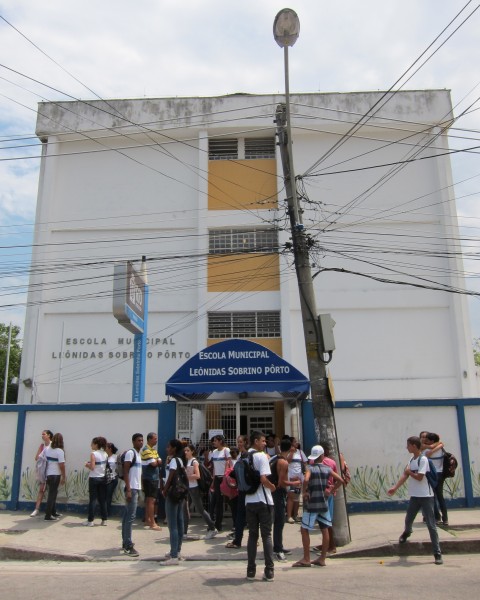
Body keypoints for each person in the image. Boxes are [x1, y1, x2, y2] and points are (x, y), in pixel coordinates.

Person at [387, 435, 443, 565]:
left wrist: (409, 472)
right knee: (408, 519)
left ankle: (437, 553)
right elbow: (405, 475)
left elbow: (419, 477)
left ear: (414, 446)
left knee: (431, 525)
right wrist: (395, 488)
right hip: (415, 496)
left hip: (426, 496)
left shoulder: (423, 459)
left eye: (408, 445)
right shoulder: (412, 459)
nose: (406, 447)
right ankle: (407, 532)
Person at [292, 445, 345, 568]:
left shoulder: (310, 468)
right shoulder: (327, 469)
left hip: (312, 505)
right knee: (324, 529)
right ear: (322, 456)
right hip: (324, 503)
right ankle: (322, 558)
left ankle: (306, 558)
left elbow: (306, 480)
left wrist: (304, 492)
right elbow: (341, 480)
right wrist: (331, 490)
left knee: (305, 530)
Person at [245, 431, 276, 583]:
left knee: (252, 535)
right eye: (263, 441)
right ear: (256, 441)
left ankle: (250, 570)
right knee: (266, 536)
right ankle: (269, 570)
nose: (265, 444)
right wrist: (272, 486)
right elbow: (264, 479)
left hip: (248, 501)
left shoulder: (243, 456)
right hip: (263, 501)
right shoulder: (261, 456)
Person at [271, 437, 301, 561]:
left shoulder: (277, 459)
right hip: (278, 493)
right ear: (290, 448)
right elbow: (281, 482)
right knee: (279, 521)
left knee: (279, 521)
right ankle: (277, 549)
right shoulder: (283, 463)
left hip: (275, 492)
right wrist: (294, 483)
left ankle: (279, 546)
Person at [160, 438, 186, 566]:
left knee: (173, 525)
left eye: (169, 447)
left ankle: (174, 555)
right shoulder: (180, 459)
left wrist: (164, 490)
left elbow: (170, 477)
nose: (167, 449)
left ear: (174, 448)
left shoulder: (174, 461)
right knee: (179, 522)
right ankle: (177, 551)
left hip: (172, 494)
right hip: (180, 494)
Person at [184, 444, 218, 539]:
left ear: (192, 452)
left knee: (200, 509)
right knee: (185, 509)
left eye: (188, 450)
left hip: (194, 488)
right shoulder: (187, 461)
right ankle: (184, 532)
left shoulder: (194, 462)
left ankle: (212, 527)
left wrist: (186, 477)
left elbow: (197, 475)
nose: (186, 452)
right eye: (185, 450)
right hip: (188, 488)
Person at [313, 442, 340, 555]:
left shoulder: (320, 463)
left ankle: (331, 546)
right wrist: (332, 489)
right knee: (324, 521)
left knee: (325, 521)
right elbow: (337, 480)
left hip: (322, 494)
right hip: (326, 493)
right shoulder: (331, 462)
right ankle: (327, 544)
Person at [121, 433, 143, 557]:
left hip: (136, 488)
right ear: (133, 442)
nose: (141, 442)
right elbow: (125, 470)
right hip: (132, 488)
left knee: (127, 516)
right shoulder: (131, 453)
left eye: (142, 440)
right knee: (130, 517)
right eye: (138, 440)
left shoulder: (138, 454)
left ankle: (125, 542)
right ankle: (128, 545)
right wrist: (129, 489)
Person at [226, 434, 249, 549]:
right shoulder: (241, 456)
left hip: (246, 490)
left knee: (245, 515)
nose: (239, 444)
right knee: (241, 515)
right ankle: (238, 539)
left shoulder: (247, 456)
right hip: (240, 489)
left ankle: (241, 539)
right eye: (238, 442)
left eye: (241, 442)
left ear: (246, 442)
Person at [206, 434, 231, 532]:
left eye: (215, 441)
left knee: (228, 500)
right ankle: (215, 523)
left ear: (220, 441)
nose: (214, 442)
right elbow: (214, 467)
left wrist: (225, 475)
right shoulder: (214, 452)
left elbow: (229, 463)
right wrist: (213, 479)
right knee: (216, 501)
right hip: (216, 478)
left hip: (224, 478)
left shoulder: (226, 450)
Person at [423, 432, 448, 526]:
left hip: (431, 474)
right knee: (440, 497)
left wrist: (431, 450)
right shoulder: (441, 449)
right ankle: (445, 519)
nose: (425, 441)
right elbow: (441, 443)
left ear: (432, 441)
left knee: (432, 497)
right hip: (440, 474)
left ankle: (437, 517)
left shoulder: (426, 450)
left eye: (427, 440)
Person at [84, 436, 108, 527]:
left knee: (93, 500)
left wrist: (87, 465)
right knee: (103, 499)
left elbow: (93, 467)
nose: (91, 445)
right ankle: (104, 520)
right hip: (102, 478)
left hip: (94, 478)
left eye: (92, 443)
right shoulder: (105, 453)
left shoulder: (93, 454)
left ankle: (90, 521)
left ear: (96, 444)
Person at [141, 432, 162, 531]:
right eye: (154, 439)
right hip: (150, 478)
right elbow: (154, 463)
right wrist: (157, 461)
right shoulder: (146, 450)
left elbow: (160, 461)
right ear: (149, 439)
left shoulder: (153, 450)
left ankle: (147, 520)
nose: (156, 440)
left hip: (153, 478)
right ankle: (152, 523)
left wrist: (157, 461)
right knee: (151, 500)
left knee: (149, 500)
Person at [43, 433, 66, 521]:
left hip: (48, 474)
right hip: (55, 475)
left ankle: (53, 512)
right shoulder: (59, 451)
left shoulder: (47, 449)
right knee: (52, 495)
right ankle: (48, 516)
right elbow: (62, 465)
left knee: (53, 494)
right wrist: (64, 476)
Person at [31, 429, 53, 517]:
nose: (42, 436)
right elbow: (36, 457)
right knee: (41, 489)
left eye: (44, 434)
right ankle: (36, 509)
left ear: (49, 435)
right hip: (43, 470)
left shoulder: (53, 445)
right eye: (42, 434)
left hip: (51, 470)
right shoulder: (42, 446)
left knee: (52, 490)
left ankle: (51, 511)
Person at [286, 437, 307, 523]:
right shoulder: (288, 452)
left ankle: (296, 515)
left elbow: (305, 463)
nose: (296, 443)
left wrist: (305, 474)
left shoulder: (300, 452)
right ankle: (289, 516)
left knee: (297, 497)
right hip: (291, 478)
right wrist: (291, 452)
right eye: (294, 442)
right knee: (291, 497)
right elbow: (287, 461)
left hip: (299, 477)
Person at [105, 442, 119, 516]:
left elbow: (119, 466)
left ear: (110, 448)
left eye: (106, 447)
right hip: (104, 478)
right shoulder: (104, 456)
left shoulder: (115, 457)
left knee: (108, 495)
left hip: (113, 478)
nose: (104, 448)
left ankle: (107, 512)